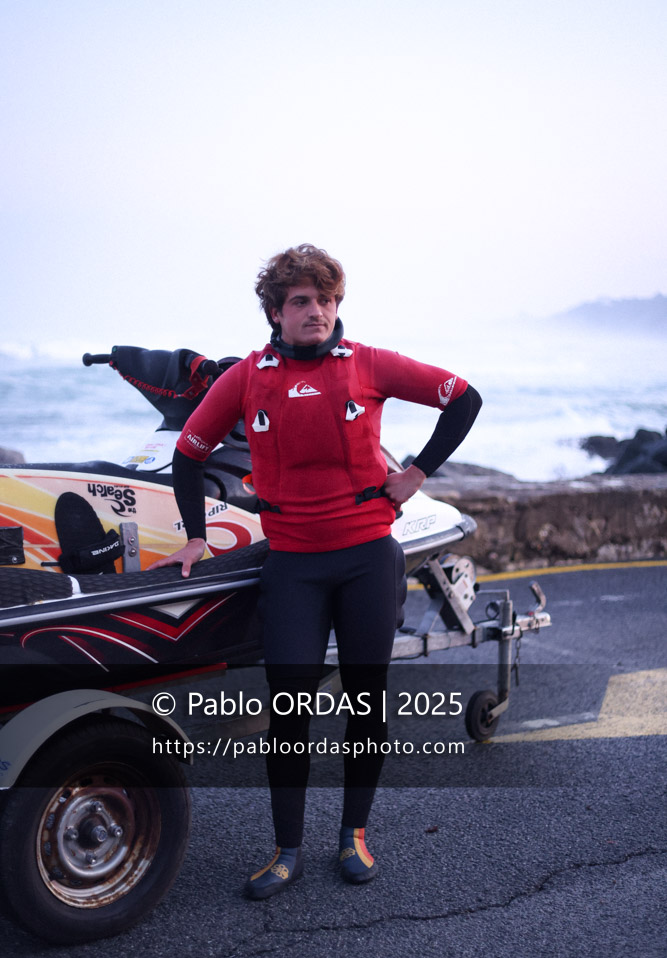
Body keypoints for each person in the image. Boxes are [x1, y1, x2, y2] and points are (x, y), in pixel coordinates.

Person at [152, 244, 481, 899]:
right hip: (293, 565)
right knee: (289, 710)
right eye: (301, 300)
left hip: (366, 557)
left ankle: (353, 834)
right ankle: (285, 850)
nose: (317, 311)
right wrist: (193, 537)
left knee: (364, 704)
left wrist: (414, 474)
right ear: (275, 311)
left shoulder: (366, 366)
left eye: (326, 299)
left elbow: (464, 398)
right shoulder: (247, 377)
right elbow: (189, 456)